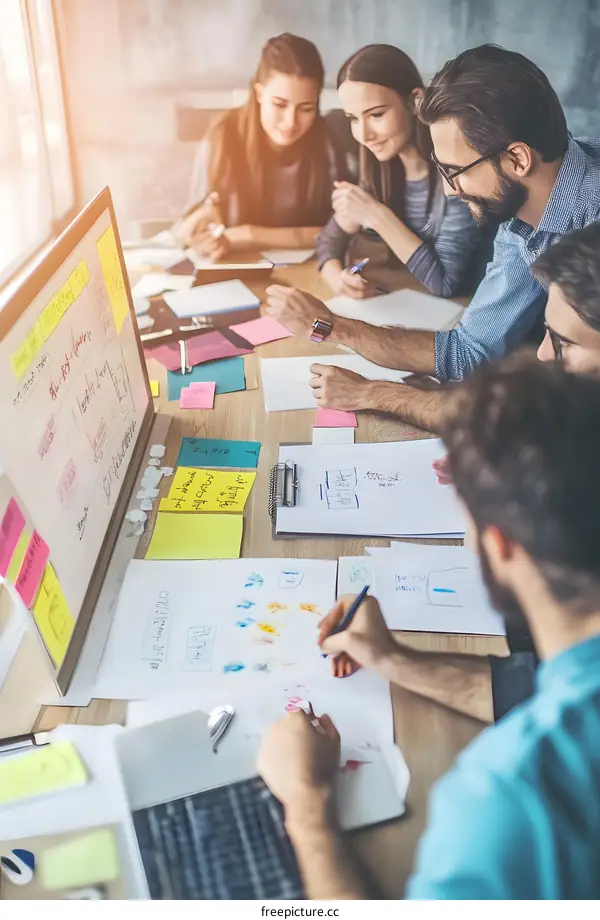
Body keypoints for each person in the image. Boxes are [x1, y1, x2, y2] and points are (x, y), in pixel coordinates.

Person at [258, 357, 600, 899]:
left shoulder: (510, 796)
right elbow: (552, 690)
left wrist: (305, 806)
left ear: (500, 543)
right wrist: (397, 661)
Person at [265, 44, 600, 432]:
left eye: (456, 170)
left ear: (517, 160)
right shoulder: (521, 212)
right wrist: (333, 326)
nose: (450, 188)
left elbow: (551, 422)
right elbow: (469, 350)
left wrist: (373, 394)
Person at [316, 44, 484, 299]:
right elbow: (328, 241)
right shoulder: (378, 167)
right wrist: (336, 278)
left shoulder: (458, 173)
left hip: (468, 314)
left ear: (415, 101)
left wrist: (375, 215)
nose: (363, 135)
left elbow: (446, 283)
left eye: (376, 114)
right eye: (353, 118)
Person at [173, 33, 350, 260]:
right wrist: (197, 232)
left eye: (306, 108)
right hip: (235, 274)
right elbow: (182, 232)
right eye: (279, 105)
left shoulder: (329, 142)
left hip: (313, 273)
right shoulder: (223, 136)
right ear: (259, 94)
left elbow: (343, 231)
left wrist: (248, 235)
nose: (290, 122)